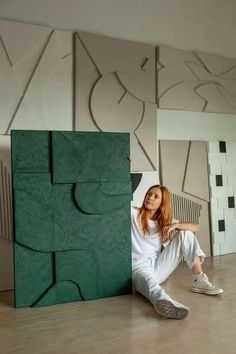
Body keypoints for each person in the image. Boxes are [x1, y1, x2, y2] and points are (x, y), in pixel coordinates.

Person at [131, 184, 223, 320]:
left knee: (186, 232)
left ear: (163, 202)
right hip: (138, 268)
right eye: (149, 194)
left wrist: (176, 225)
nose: (150, 197)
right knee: (151, 285)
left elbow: (196, 227)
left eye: (156, 196)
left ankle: (198, 279)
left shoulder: (164, 222)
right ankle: (166, 303)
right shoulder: (133, 213)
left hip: (158, 267)